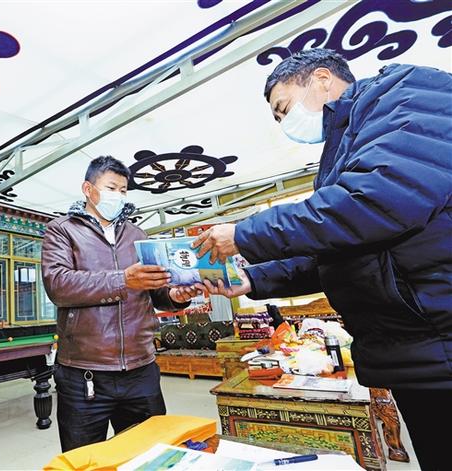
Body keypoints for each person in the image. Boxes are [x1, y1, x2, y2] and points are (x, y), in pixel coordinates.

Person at [192, 49, 451, 470]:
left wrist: (245, 233)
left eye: (283, 108)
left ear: (322, 79)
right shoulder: (345, 145)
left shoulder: (405, 93)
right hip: (419, 346)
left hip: (439, 334)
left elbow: (371, 202)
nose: (284, 123)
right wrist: (253, 280)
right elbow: (335, 251)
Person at [41, 156, 202, 452]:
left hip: (142, 370)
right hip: (84, 374)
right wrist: (123, 280)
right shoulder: (62, 230)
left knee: (149, 455)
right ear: (88, 189)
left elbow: (155, 290)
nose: (119, 195)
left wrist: (175, 296)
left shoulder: (137, 235)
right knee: (85, 459)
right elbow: (58, 285)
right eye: (111, 187)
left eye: (124, 190)